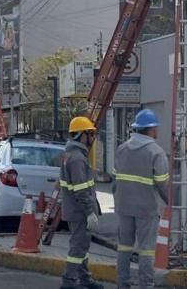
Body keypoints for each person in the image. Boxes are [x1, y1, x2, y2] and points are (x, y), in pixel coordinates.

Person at [112, 109, 169, 289]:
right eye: (156, 128)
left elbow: (114, 180)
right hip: (146, 207)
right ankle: (146, 284)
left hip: (124, 206)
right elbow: (162, 183)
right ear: (151, 129)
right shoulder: (156, 152)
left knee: (124, 247)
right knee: (146, 249)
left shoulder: (121, 149)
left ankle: (123, 284)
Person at [60, 116, 103, 289]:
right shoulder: (77, 158)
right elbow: (80, 190)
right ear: (81, 135)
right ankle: (68, 281)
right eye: (91, 134)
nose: (93, 138)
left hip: (74, 209)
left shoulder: (70, 154)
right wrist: (90, 213)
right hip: (79, 211)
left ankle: (84, 279)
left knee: (81, 245)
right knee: (78, 247)